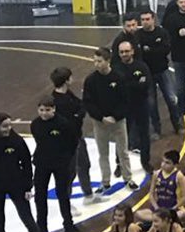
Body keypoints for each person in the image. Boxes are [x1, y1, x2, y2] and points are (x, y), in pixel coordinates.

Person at [83, 47, 136, 196]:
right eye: (95, 61)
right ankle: (105, 181)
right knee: (103, 153)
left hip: (118, 121)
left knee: (123, 151)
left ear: (108, 61)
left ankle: (128, 178)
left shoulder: (119, 77)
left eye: (99, 61)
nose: (96, 64)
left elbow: (125, 100)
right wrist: (101, 117)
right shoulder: (91, 80)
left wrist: (115, 116)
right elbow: (88, 103)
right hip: (100, 123)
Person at [32, 97, 81, 232]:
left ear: (53, 109)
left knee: (62, 194)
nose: (44, 113)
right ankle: (41, 227)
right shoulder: (35, 124)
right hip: (42, 163)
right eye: (41, 110)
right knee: (39, 195)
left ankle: (69, 225)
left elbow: (72, 142)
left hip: (60, 164)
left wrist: (65, 159)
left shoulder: (63, 124)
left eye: (47, 110)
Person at [49, 67, 95, 203]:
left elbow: (80, 107)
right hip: (66, 142)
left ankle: (88, 194)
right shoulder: (56, 101)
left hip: (77, 137)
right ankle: (66, 201)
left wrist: (78, 115)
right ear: (66, 80)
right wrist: (77, 116)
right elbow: (67, 122)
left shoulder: (68, 94)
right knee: (69, 173)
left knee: (84, 164)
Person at [137, 10, 182, 137]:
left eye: (147, 19)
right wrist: (154, 51)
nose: (145, 22)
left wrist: (149, 51)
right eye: (143, 20)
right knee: (151, 103)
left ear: (153, 19)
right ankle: (156, 129)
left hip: (162, 70)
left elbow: (166, 49)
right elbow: (139, 54)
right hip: (147, 74)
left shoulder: (161, 32)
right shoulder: (138, 35)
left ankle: (177, 124)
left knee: (171, 99)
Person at [113, 41, 153, 169]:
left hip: (141, 105)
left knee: (144, 134)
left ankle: (145, 162)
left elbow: (146, 84)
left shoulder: (141, 66)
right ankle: (119, 163)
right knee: (122, 136)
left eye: (126, 51)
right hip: (124, 107)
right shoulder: (115, 69)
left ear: (132, 51)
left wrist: (127, 84)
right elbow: (117, 88)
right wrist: (136, 84)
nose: (124, 54)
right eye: (122, 52)